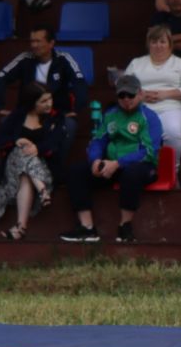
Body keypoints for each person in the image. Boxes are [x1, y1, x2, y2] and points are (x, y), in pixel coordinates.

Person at [59, 73, 160, 244]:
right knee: (76, 172)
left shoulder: (149, 117)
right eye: (122, 95)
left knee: (132, 174)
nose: (126, 99)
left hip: (142, 166)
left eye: (131, 95)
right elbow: (98, 140)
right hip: (112, 165)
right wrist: (95, 160)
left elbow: (149, 151)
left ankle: (125, 226)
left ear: (141, 94)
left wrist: (119, 163)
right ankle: (87, 228)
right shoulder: (111, 115)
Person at [124, 25, 181, 172]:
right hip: (141, 108)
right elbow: (124, 86)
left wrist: (165, 94)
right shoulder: (136, 63)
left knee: (173, 131)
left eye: (162, 42)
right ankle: (143, 169)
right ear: (148, 44)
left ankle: (172, 171)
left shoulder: (180, 63)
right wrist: (141, 95)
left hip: (172, 108)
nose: (158, 45)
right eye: (154, 41)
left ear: (170, 44)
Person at [0, 89, 57, 241]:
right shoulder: (18, 116)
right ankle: (42, 191)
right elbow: (0, 140)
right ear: (33, 103)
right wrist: (16, 141)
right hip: (13, 167)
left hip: (41, 169)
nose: (49, 104)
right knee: (22, 150)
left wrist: (38, 148)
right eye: (43, 101)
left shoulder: (53, 118)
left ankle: (21, 228)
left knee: (25, 172)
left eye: (50, 99)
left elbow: (56, 144)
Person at [0, 23, 88, 125]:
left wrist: (76, 109)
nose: (33, 45)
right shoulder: (24, 58)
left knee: (70, 125)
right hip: (27, 113)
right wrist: (0, 107)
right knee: (6, 122)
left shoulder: (64, 59)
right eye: (32, 41)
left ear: (51, 43)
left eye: (38, 41)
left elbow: (79, 82)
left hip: (57, 113)